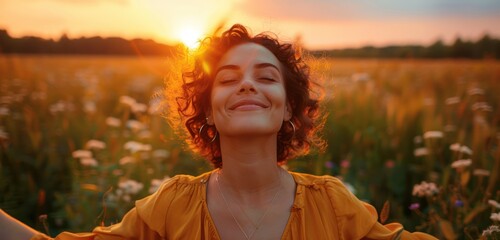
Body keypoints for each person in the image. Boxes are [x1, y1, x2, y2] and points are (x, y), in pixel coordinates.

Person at [0, 24, 437, 240]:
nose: (246, 83)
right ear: (207, 112)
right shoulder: (172, 206)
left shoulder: (333, 206)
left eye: (266, 77)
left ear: (289, 108)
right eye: (227, 79)